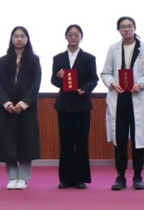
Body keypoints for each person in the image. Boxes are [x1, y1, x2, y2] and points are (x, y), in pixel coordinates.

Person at [101, 16, 144, 190]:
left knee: (137, 140)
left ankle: (138, 176)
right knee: (119, 140)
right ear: (118, 30)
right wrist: (112, 83)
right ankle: (120, 176)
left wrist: (140, 84)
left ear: (134, 28)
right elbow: (105, 73)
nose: (126, 29)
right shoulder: (113, 49)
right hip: (120, 99)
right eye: (122, 27)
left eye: (129, 26)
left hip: (138, 98)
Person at [0, 26, 41, 190]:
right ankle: (12, 177)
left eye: (22, 36)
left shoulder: (34, 60)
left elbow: (35, 85)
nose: (19, 39)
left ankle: (24, 178)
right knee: (9, 143)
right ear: (11, 39)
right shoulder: (3, 60)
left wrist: (22, 104)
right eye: (16, 36)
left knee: (26, 143)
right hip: (7, 108)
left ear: (27, 39)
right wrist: (7, 103)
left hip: (27, 108)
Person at [50, 24, 98, 189]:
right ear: (66, 37)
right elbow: (53, 80)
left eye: (76, 35)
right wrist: (59, 77)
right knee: (65, 142)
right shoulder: (58, 58)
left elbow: (94, 79)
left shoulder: (89, 58)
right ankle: (65, 179)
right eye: (70, 35)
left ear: (81, 37)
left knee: (81, 142)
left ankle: (80, 178)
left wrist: (85, 89)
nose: (73, 37)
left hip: (82, 105)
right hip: (64, 105)